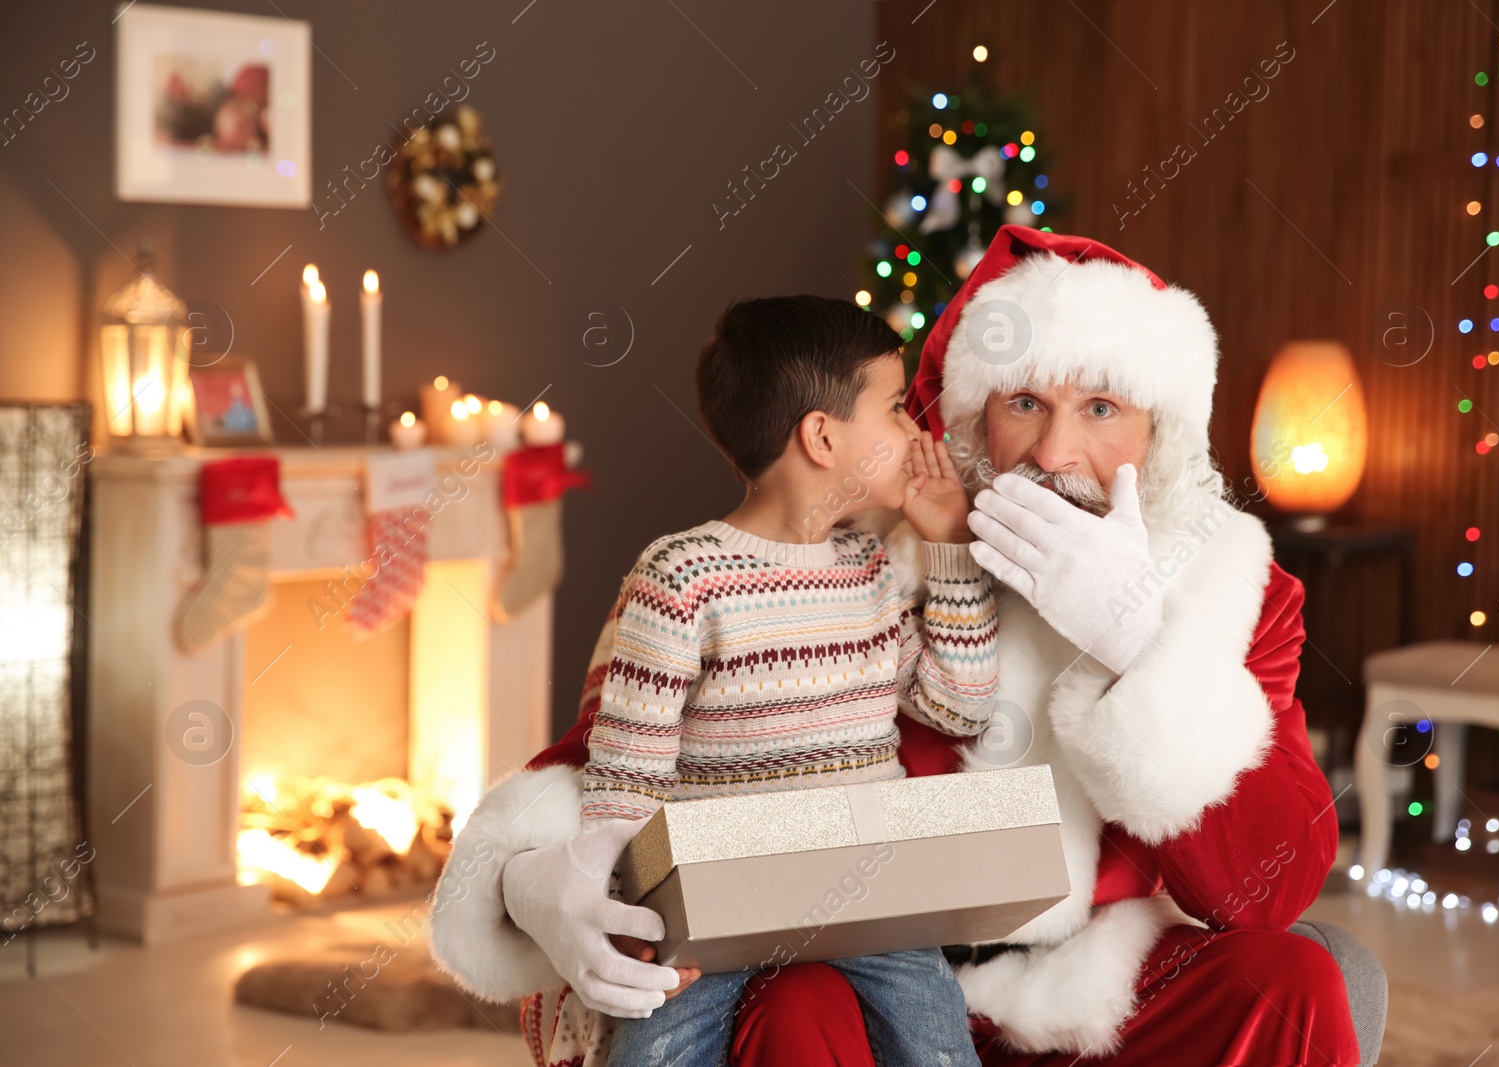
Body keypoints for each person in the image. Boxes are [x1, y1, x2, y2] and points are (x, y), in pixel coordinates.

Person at [430, 228, 1363, 1066]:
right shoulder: (859, 554)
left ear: (1160, 432)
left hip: (1096, 984)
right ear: (971, 419)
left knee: (1293, 981)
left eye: (1104, 407)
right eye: (1026, 402)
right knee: (796, 997)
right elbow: (607, 756)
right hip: (875, 989)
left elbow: (1265, 891)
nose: (1053, 453)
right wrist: (529, 879)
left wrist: (1138, 641)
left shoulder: (1230, 592)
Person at [532, 295, 1000, 1067]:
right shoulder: (681, 577)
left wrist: (948, 547)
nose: (917, 432)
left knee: (937, 1040)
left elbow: (960, 704)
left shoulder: (875, 572)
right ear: (821, 436)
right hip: (714, 908)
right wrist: (621, 917)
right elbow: (625, 778)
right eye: (893, 409)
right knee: (654, 1050)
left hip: (871, 896)